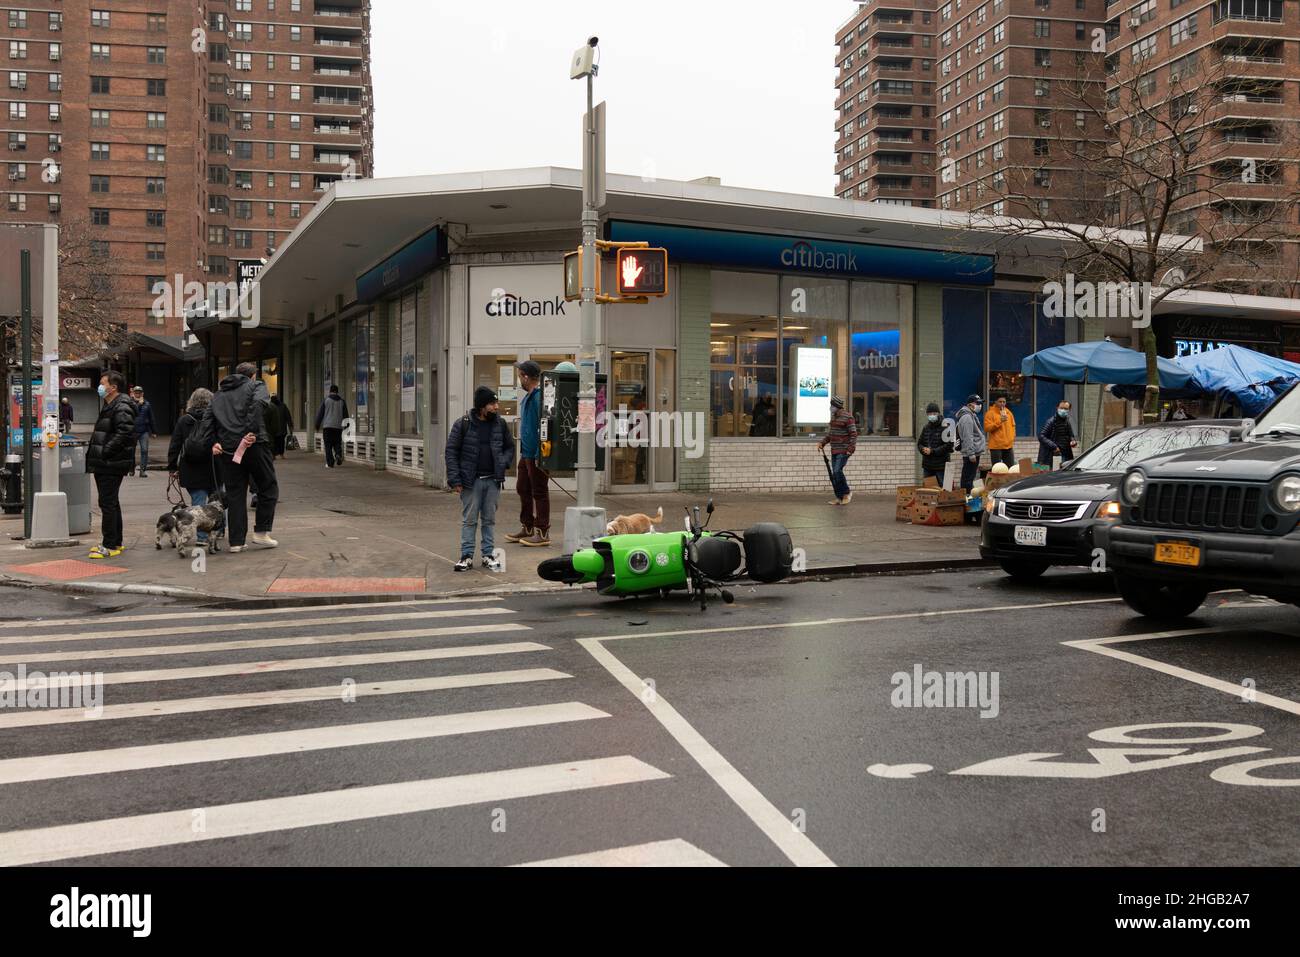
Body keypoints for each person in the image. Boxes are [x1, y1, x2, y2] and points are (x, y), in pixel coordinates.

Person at [196, 361, 278, 552]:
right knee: (268, 486)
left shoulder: (218, 395)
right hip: (254, 444)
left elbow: (207, 420)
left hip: (227, 448)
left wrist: (212, 442)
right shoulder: (256, 386)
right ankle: (261, 532)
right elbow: (258, 403)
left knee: (235, 493)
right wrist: (250, 430)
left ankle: (236, 541)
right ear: (252, 376)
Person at [445, 386, 515, 571]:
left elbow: (510, 447)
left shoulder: (499, 424)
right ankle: (466, 556)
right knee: (470, 520)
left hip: (493, 481)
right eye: (492, 403)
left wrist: (503, 462)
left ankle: (488, 555)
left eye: (496, 403)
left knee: (489, 520)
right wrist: (455, 479)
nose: (496, 406)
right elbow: (451, 451)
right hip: (471, 481)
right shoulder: (463, 424)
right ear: (482, 406)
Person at [85, 371, 137, 559]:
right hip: (108, 462)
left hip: (110, 463)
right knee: (111, 502)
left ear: (113, 387)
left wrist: (105, 451)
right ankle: (116, 542)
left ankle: (109, 545)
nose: (100, 386)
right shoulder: (112, 405)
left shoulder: (121, 406)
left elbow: (125, 433)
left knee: (107, 503)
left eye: (102, 383)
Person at [506, 360, 551, 547]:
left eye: (519, 375)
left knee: (539, 491)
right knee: (522, 488)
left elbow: (547, 424)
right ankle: (527, 525)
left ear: (525, 376)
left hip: (537, 453)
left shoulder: (540, 397)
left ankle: (542, 532)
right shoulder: (528, 397)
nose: (518, 379)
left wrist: (542, 453)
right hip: (526, 452)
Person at [167, 388, 219, 546]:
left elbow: (175, 444)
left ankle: (202, 538)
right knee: (218, 503)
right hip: (214, 467)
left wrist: (172, 467)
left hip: (191, 468)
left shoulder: (184, 420)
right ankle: (218, 531)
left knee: (197, 503)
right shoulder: (216, 419)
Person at [818, 395, 858, 505]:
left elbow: (853, 434)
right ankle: (839, 497)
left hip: (844, 450)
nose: (830, 407)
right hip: (834, 449)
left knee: (837, 471)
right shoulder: (834, 417)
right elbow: (831, 434)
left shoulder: (848, 417)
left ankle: (846, 493)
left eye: (832, 405)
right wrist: (823, 443)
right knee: (835, 474)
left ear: (837, 406)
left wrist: (851, 448)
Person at [955, 393, 987, 493]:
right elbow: (968, 437)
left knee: (970, 477)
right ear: (969, 405)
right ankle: (966, 497)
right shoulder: (967, 417)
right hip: (971, 454)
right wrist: (971, 454)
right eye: (977, 403)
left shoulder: (971, 415)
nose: (979, 405)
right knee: (967, 478)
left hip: (973, 452)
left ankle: (967, 495)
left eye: (980, 403)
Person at [917, 402, 953, 485]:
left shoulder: (945, 427)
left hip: (942, 466)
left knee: (945, 490)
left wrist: (932, 451)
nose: (932, 415)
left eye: (934, 413)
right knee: (929, 492)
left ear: (938, 413)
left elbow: (949, 445)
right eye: (929, 413)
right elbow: (920, 443)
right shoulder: (926, 427)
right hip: (928, 466)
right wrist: (923, 449)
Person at [314, 384, 349, 469]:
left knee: (328, 445)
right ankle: (338, 454)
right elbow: (345, 415)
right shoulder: (342, 402)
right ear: (337, 392)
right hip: (338, 427)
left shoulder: (326, 400)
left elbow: (320, 414)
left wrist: (317, 425)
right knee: (337, 443)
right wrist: (347, 427)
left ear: (330, 391)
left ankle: (330, 463)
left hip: (327, 427)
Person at [1038, 399, 1078, 468]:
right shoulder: (1051, 421)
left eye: (1066, 409)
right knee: (1054, 475)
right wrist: (1054, 446)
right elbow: (1041, 436)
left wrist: (1073, 441)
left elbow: (1071, 435)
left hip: (1066, 454)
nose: (1063, 410)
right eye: (1061, 408)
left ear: (1069, 410)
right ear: (1057, 408)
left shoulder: (1067, 422)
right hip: (1053, 454)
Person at [130, 385, 157, 477]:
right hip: (132, 431)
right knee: (131, 451)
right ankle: (131, 468)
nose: (137, 394)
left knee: (144, 450)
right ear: (133, 394)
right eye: (136, 392)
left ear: (142, 394)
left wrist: (153, 431)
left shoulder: (147, 404)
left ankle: (142, 470)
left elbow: (151, 418)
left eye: (139, 392)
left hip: (144, 431)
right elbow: (132, 413)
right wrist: (139, 404)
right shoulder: (130, 403)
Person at [984, 394, 1016, 468]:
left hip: (1008, 446)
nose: (1002, 403)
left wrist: (1012, 438)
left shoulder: (1009, 413)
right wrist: (999, 421)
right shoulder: (990, 413)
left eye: (1004, 402)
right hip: (996, 447)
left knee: (1010, 468)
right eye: (1000, 401)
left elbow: (1013, 426)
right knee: (997, 470)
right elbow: (987, 428)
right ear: (995, 402)